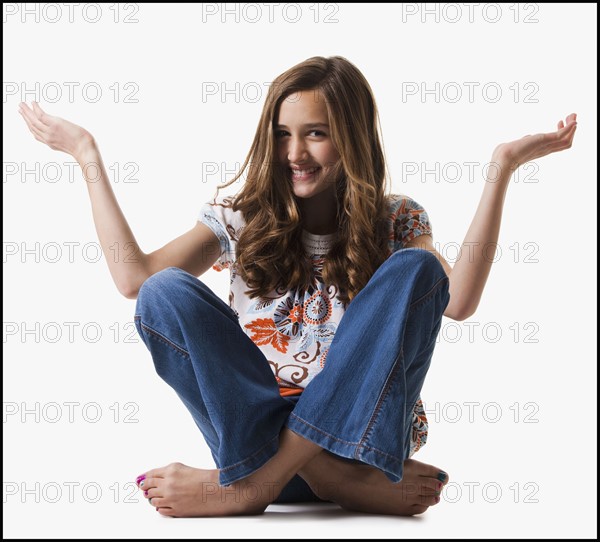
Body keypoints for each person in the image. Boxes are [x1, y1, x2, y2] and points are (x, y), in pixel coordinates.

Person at [18, 55, 577, 518]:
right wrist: (86, 155)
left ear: (352, 140)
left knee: (418, 271)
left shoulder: (396, 219)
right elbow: (134, 279)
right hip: (255, 447)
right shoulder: (242, 219)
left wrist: (502, 166)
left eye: (315, 135)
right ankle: (325, 483)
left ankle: (258, 490)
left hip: (360, 446)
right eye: (283, 134)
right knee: (165, 291)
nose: (294, 154)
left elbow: (456, 302)